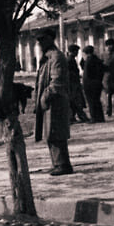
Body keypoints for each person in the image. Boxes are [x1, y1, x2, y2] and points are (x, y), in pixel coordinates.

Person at [33, 28, 73, 176]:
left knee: (56, 133)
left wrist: (44, 96)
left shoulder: (56, 57)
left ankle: (63, 165)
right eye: (39, 40)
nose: (40, 43)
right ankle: (57, 163)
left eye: (43, 39)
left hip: (56, 101)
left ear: (51, 39)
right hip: (50, 102)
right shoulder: (47, 57)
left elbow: (57, 81)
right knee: (50, 134)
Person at [81, 45, 106, 123]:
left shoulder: (88, 61)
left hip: (90, 84)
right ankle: (100, 117)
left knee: (91, 102)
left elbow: (87, 74)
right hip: (97, 83)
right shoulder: (97, 60)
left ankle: (93, 118)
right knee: (97, 101)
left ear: (86, 53)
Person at [66, 44, 90, 123]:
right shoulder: (70, 60)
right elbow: (70, 74)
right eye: (76, 51)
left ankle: (72, 117)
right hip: (72, 84)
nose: (77, 53)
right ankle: (79, 117)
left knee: (74, 101)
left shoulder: (70, 59)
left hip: (73, 84)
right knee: (76, 101)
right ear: (72, 52)